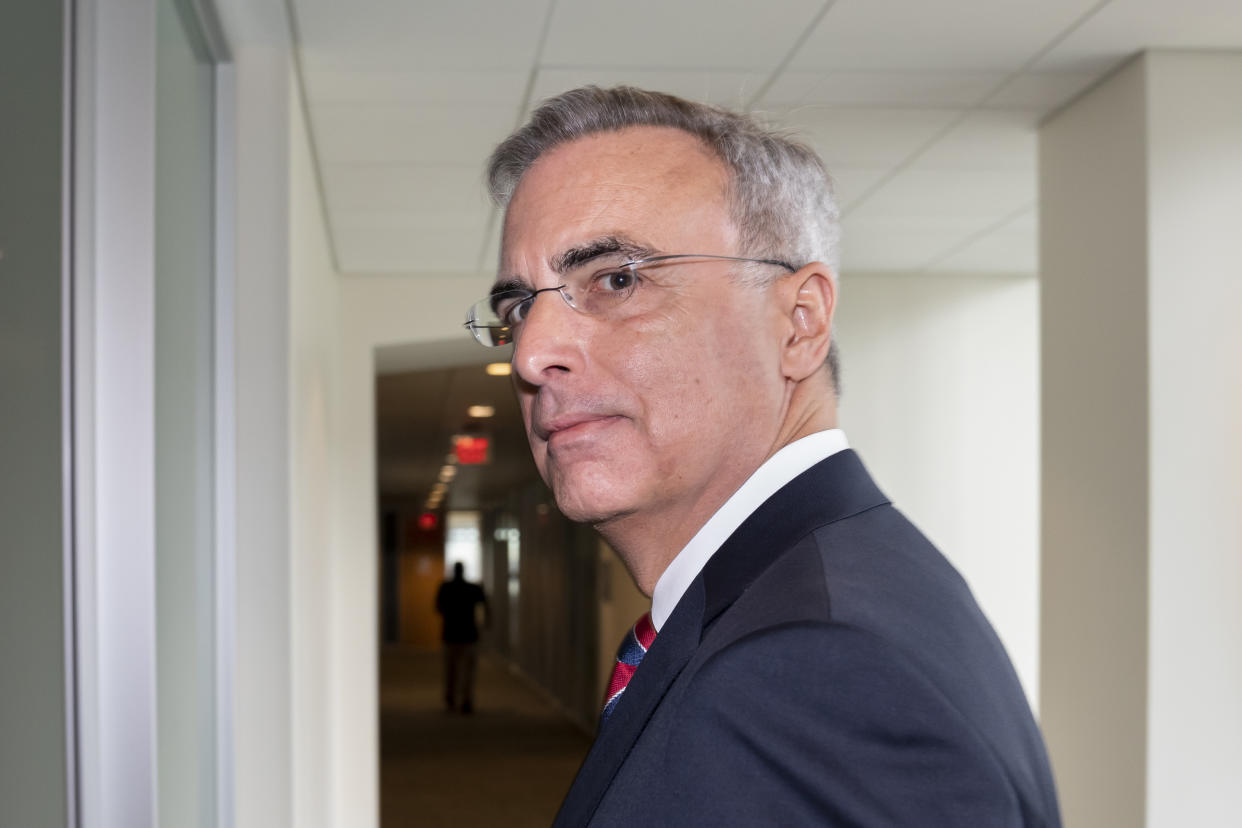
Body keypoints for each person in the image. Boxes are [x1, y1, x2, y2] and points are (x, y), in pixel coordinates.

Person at [465, 86, 1061, 826]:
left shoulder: (812, 666)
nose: (532, 352)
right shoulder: (819, 593)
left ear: (799, 323)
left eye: (616, 279)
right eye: (519, 307)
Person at [434, 561, 489, 714]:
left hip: (450, 634)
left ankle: (451, 699)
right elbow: (485, 605)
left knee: (451, 670)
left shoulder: (446, 587)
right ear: (464, 571)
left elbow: (437, 608)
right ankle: (466, 699)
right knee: (468, 671)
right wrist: (486, 623)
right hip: (469, 635)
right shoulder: (473, 588)